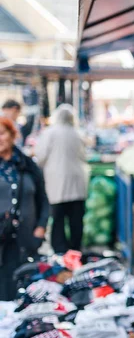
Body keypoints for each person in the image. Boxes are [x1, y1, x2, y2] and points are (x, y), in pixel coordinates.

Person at [0, 117, 49, 300]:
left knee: (26, 293)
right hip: (2, 244)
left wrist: (40, 228)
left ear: (12, 135)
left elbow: (43, 199)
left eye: (2, 133)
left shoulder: (28, 165)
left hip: (27, 240)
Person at [35, 105, 87, 254]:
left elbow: (40, 157)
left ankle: (60, 251)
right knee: (76, 221)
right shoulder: (77, 133)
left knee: (57, 220)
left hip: (56, 184)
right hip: (77, 183)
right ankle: (76, 251)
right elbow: (84, 156)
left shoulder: (49, 133)